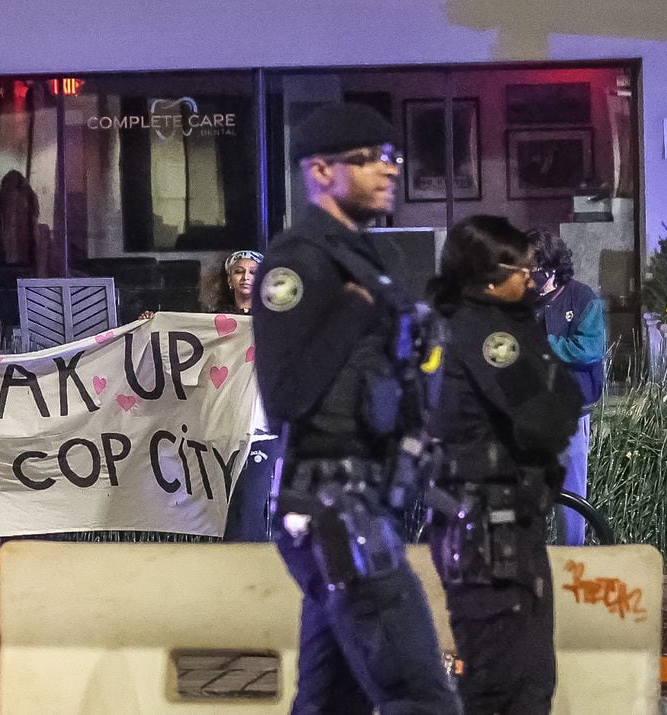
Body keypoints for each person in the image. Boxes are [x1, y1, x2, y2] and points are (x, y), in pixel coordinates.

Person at [251, 103, 459, 713]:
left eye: (391, 158)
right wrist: (351, 311)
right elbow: (284, 396)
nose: (387, 171)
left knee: (331, 700)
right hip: (332, 503)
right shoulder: (300, 260)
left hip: (368, 499)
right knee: (419, 691)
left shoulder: (370, 258)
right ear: (319, 173)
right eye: (366, 160)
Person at [427, 215, 583, 714]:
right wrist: (555, 390)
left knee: (513, 679)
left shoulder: (461, 321)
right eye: (522, 269)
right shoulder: (489, 334)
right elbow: (549, 418)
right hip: (491, 535)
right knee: (512, 684)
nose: (531, 279)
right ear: (490, 275)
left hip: (488, 527)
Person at [529, 228, 606, 546]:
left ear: (551, 265)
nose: (529, 274)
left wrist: (544, 346)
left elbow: (590, 348)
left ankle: (572, 561)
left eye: (534, 266)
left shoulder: (583, 298)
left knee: (571, 494)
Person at [202, 249, 261, 314]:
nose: (245, 277)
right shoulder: (215, 316)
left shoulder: (270, 318)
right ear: (229, 280)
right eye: (239, 272)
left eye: (253, 272)